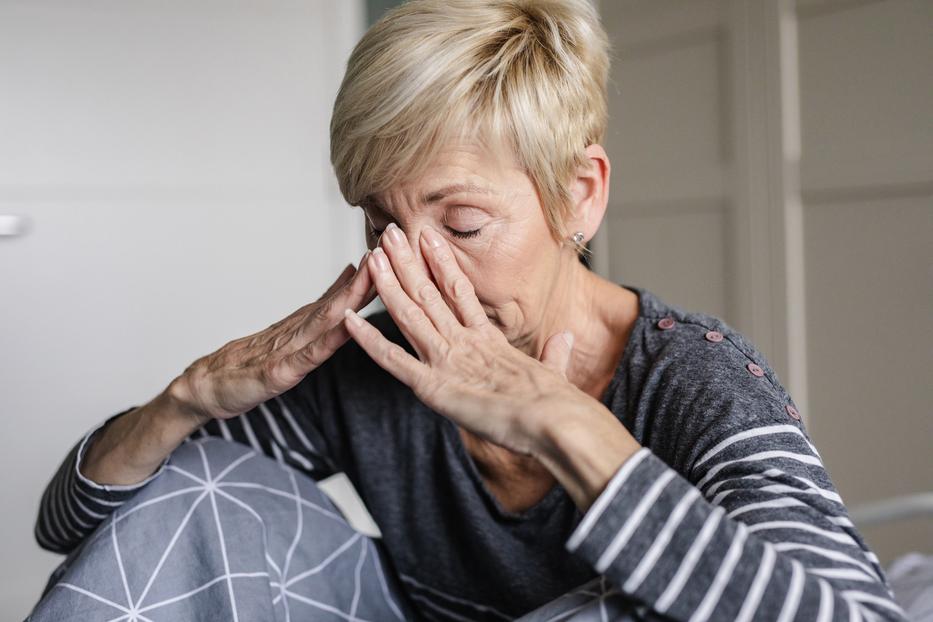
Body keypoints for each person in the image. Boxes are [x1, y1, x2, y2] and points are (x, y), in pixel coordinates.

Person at [30, 1, 906, 620]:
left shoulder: (697, 376)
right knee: (195, 481)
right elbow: (69, 529)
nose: (412, 270)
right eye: (381, 223)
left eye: (463, 223)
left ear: (580, 196)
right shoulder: (377, 361)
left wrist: (563, 423)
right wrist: (183, 400)